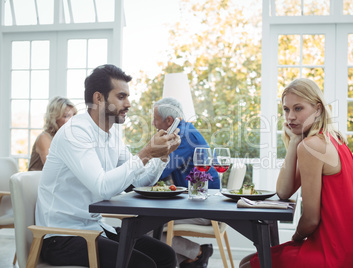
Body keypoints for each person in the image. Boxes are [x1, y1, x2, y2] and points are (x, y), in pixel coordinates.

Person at [35, 64, 181, 268]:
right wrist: (146, 152)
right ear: (98, 98)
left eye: (128, 97)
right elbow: (102, 187)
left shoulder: (112, 137)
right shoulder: (75, 132)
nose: (129, 103)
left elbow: (140, 181)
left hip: (94, 228)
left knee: (165, 255)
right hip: (62, 237)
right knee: (142, 264)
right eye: (121, 97)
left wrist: (160, 156)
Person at [240, 78, 353, 268]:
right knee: (251, 260)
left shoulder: (312, 146)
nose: (290, 117)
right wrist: (294, 142)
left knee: (249, 265)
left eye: (298, 108)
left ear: (318, 109)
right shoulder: (331, 140)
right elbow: (284, 191)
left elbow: (311, 219)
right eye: (286, 109)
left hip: (338, 257)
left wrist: (296, 239)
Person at [152, 97, 216, 268]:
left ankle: (198, 253)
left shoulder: (183, 137)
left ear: (169, 121)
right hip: (199, 201)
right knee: (148, 223)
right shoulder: (186, 131)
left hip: (206, 207)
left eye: (155, 119)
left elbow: (159, 171)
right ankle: (190, 260)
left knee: (147, 227)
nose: (152, 123)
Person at [28, 96, 77, 171]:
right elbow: (53, 169)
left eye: (73, 115)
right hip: (36, 181)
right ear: (54, 118)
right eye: (66, 116)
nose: (72, 120)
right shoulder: (44, 138)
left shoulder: (66, 138)